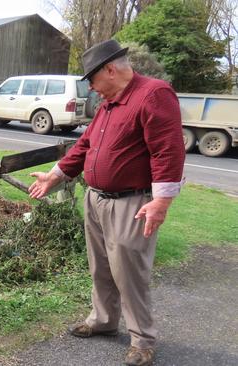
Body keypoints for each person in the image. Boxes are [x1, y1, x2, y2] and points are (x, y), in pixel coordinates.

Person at [28, 39, 185, 366]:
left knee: (129, 272)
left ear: (110, 70)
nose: (93, 89)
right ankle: (104, 320)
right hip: (96, 200)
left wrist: (161, 202)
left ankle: (142, 340)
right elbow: (85, 145)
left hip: (131, 203)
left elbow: (167, 151)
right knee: (101, 267)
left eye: (93, 81)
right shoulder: (111, 103)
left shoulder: (153, 94)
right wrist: (56, 176)